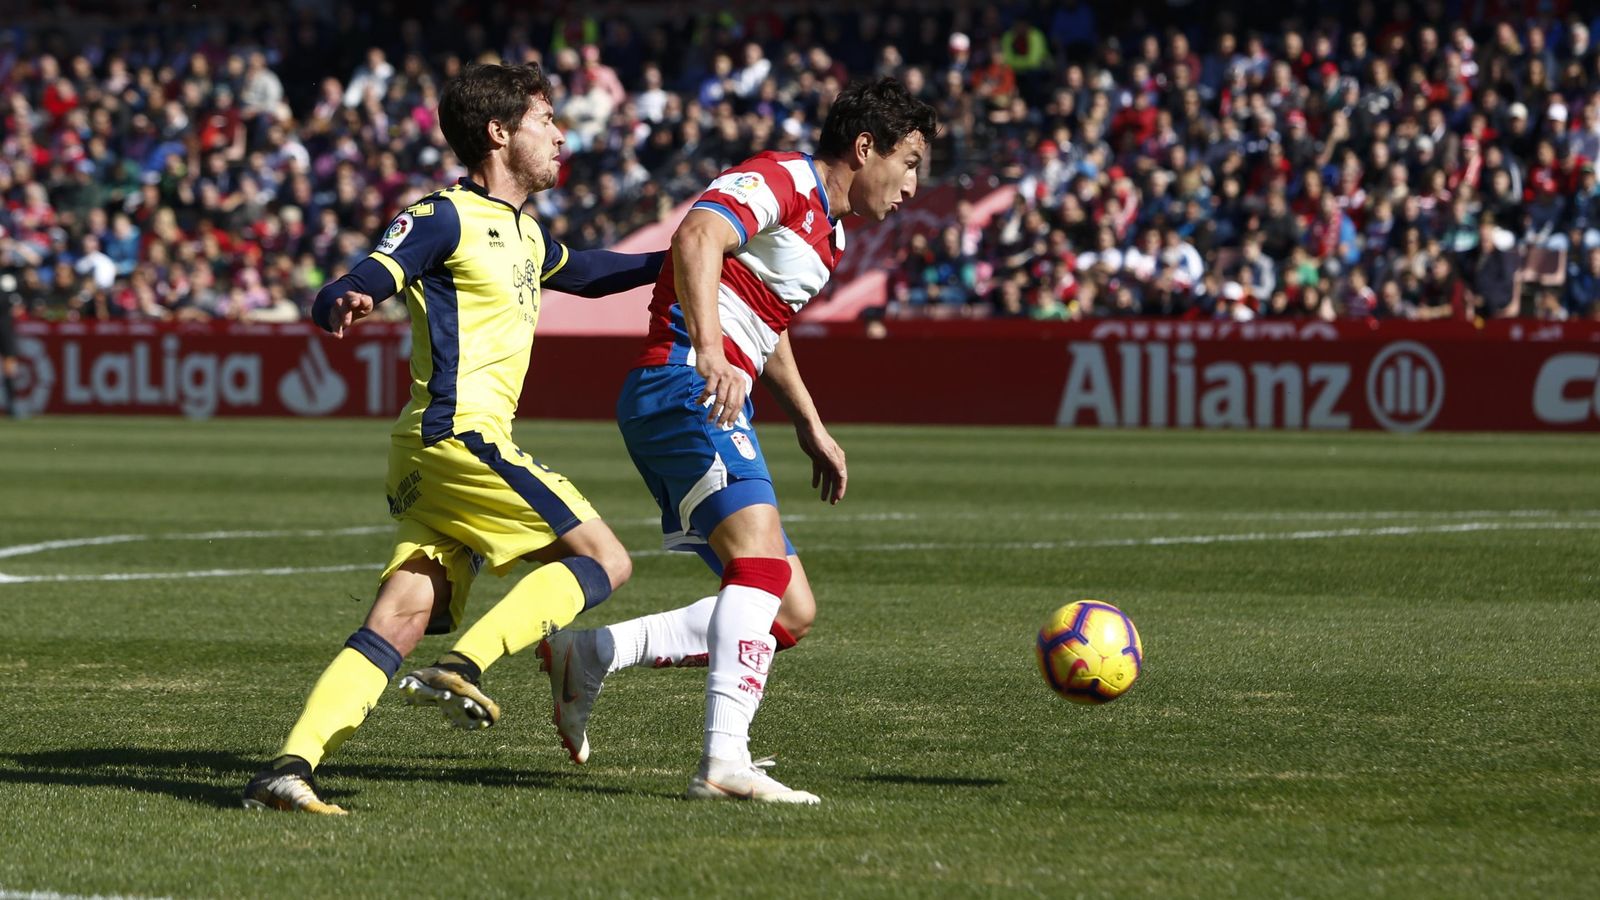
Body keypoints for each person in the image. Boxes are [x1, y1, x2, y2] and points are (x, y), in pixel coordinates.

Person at [241, 62, 664, 815]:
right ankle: (464, 661)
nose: (561, 135)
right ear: (499, 134)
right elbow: (372, 269)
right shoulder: (443, 216)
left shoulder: (528, 235)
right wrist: (346, 296)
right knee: (607, 557)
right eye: (545, 120)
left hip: (431, 462)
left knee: (397, 618)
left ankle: (289, 766)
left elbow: (598, 272)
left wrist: (694, 251)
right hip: (459, 437)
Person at [536, 77, 938, 804]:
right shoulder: (784, 177)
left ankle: (593, 652)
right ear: (866, 146)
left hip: (703, 386)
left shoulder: (832, 231)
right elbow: (697, 236)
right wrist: (712, 351)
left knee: (790, 609)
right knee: (757, 563)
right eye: (909, 162)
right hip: (682, 381)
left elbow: (765, 323)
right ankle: (725, 762)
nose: (914, 184)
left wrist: (810, 424)